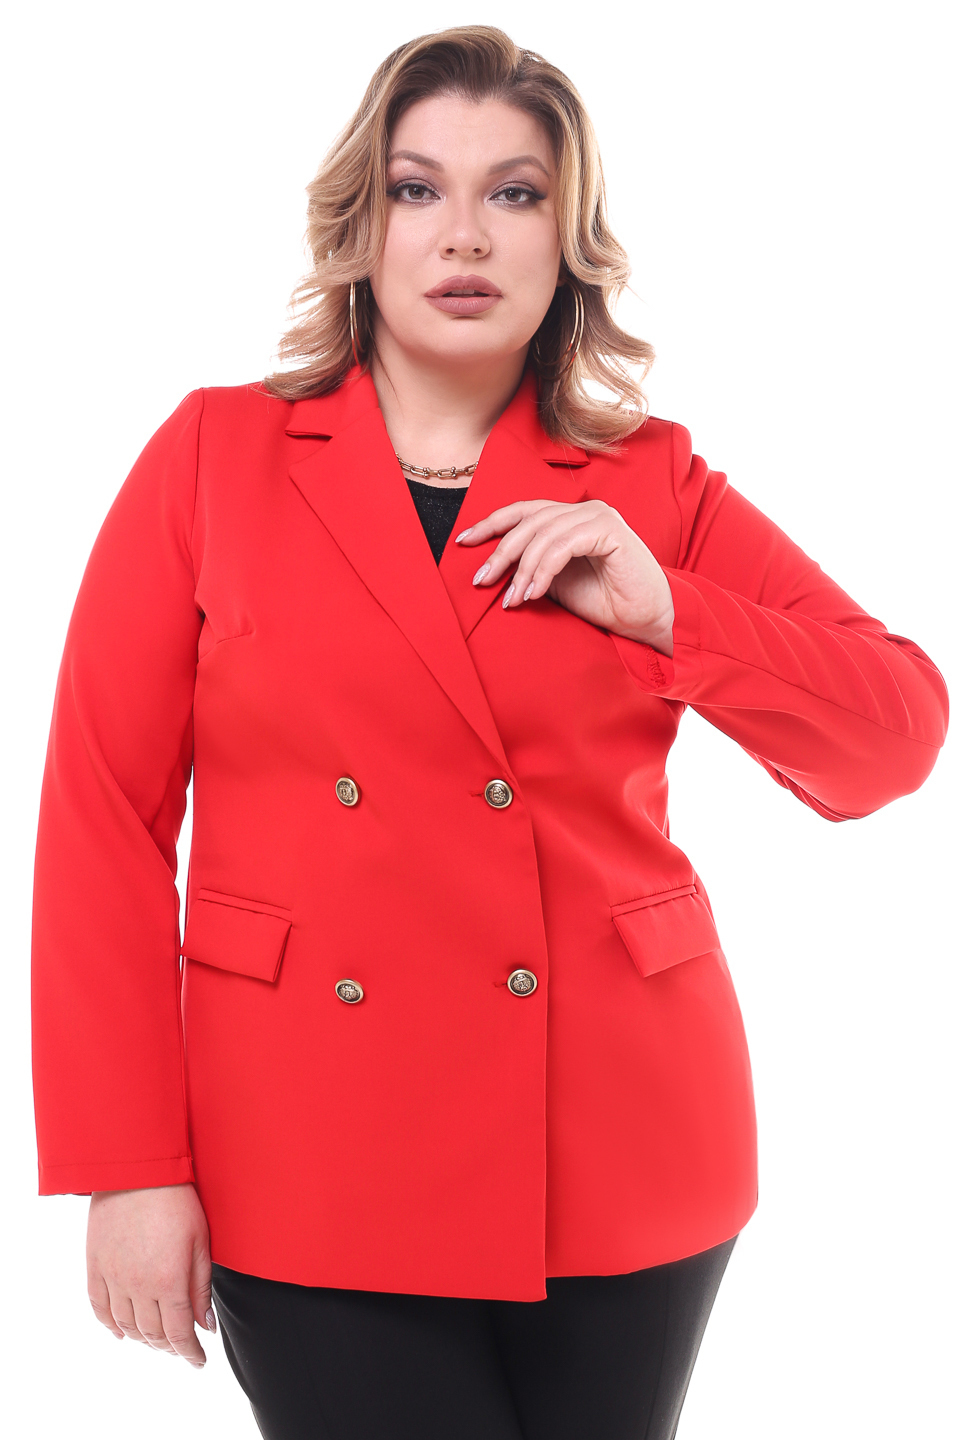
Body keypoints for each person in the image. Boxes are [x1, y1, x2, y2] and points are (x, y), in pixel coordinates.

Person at [30, 25, 948, 1440]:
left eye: (515, 193)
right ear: (362, 225)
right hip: (308, 1138)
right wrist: (129, 1164)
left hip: (620, 1143)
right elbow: (103, 818)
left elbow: (895, 736)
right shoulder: (215, 457)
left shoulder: (652, 481)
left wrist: (671, 610)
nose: (464, 234)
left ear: (566, 242)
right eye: (419, 189)